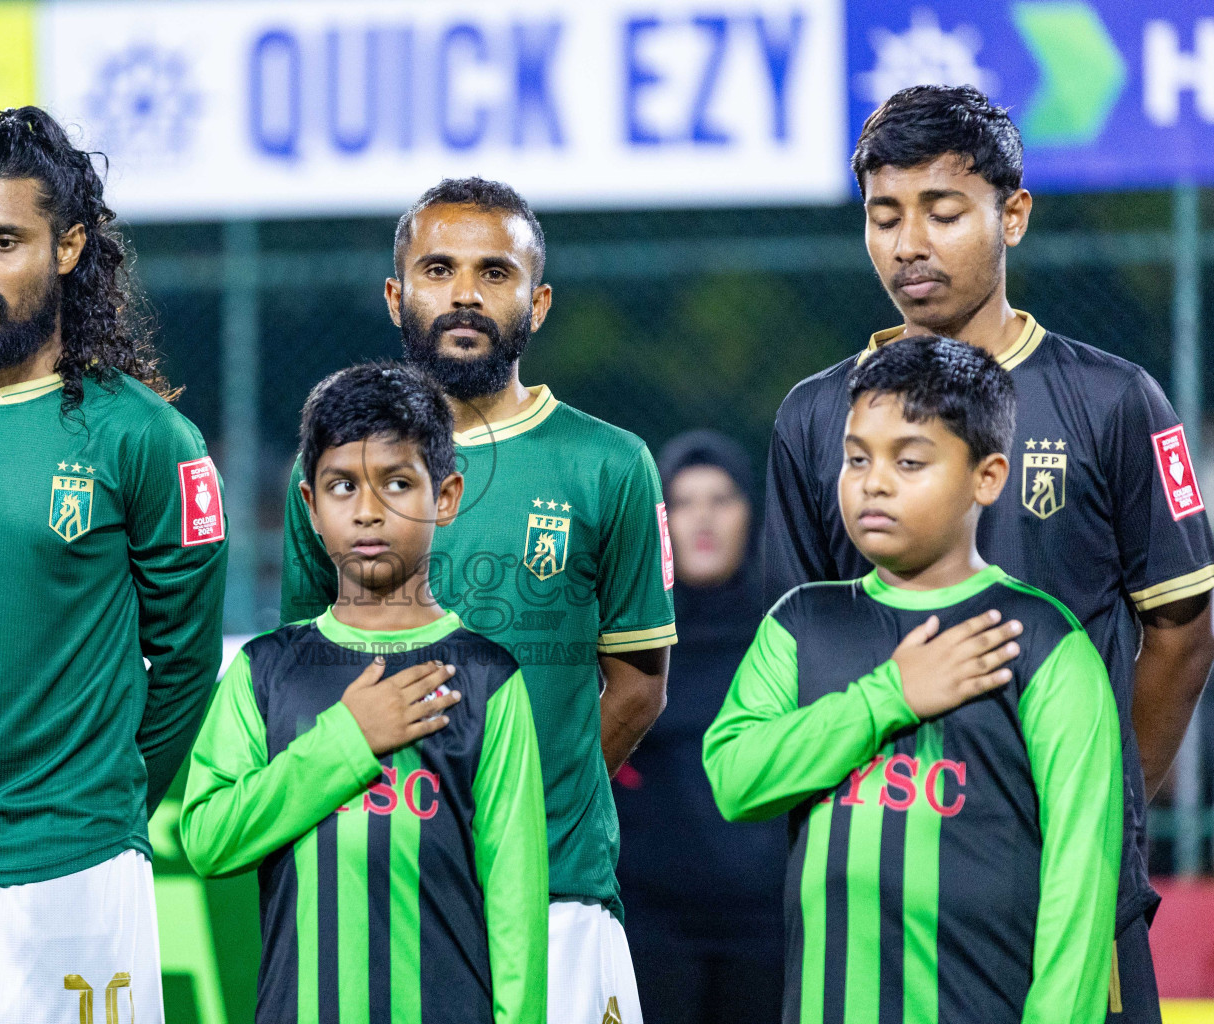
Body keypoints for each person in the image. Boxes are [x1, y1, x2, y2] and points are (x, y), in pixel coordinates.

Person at [760, 84, 1213, 1022]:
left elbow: (1181, 630)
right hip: (880, 894)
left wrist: (1104, 808)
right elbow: (805, 656)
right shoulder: (815, 417)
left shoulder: (1115, 400)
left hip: (1069, 891)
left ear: (1012, 215)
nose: (908, 244)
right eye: (884, 216)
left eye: (941, 210)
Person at [0, 107, 228, 1024]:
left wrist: (97, 791)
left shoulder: (146, 436)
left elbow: (185, 664)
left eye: (1, 241)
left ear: (67, 248)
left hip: (78, 865)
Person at [281, 178, 674, 1022]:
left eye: (494, 272)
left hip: (560, 894)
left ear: (538, 301)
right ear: (397, 295)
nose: (464, 293)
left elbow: (639, 684)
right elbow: (303, 675)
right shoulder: (330, 471)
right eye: (437, 269)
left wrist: (522, 815)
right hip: (386, 893)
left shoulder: (610, 464)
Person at [709, 337, 1121, 1023]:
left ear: (987, 477)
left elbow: (1080, 888)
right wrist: (888, 696)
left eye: (909, 461)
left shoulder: (1043, 642)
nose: (873, 482)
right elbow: (734, 778)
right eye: (856, 458)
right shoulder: (802, 624)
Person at [185, 362, 547, 1023]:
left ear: (446, 495)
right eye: (343, 486)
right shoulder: (266, 673)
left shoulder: (487, 678)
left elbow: (516, 907)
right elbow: (209, 838)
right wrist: (349, 739)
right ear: (310, 506)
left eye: (398, 483)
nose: (369, 510)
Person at [613, 429, 784, 1023]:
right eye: (683, 503)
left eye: (722, 499)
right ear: (659, 523)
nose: (703, 518)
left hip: (770, 923)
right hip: (649, 921)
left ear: (751, 515)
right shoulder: (620, 639)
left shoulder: (786, 632)